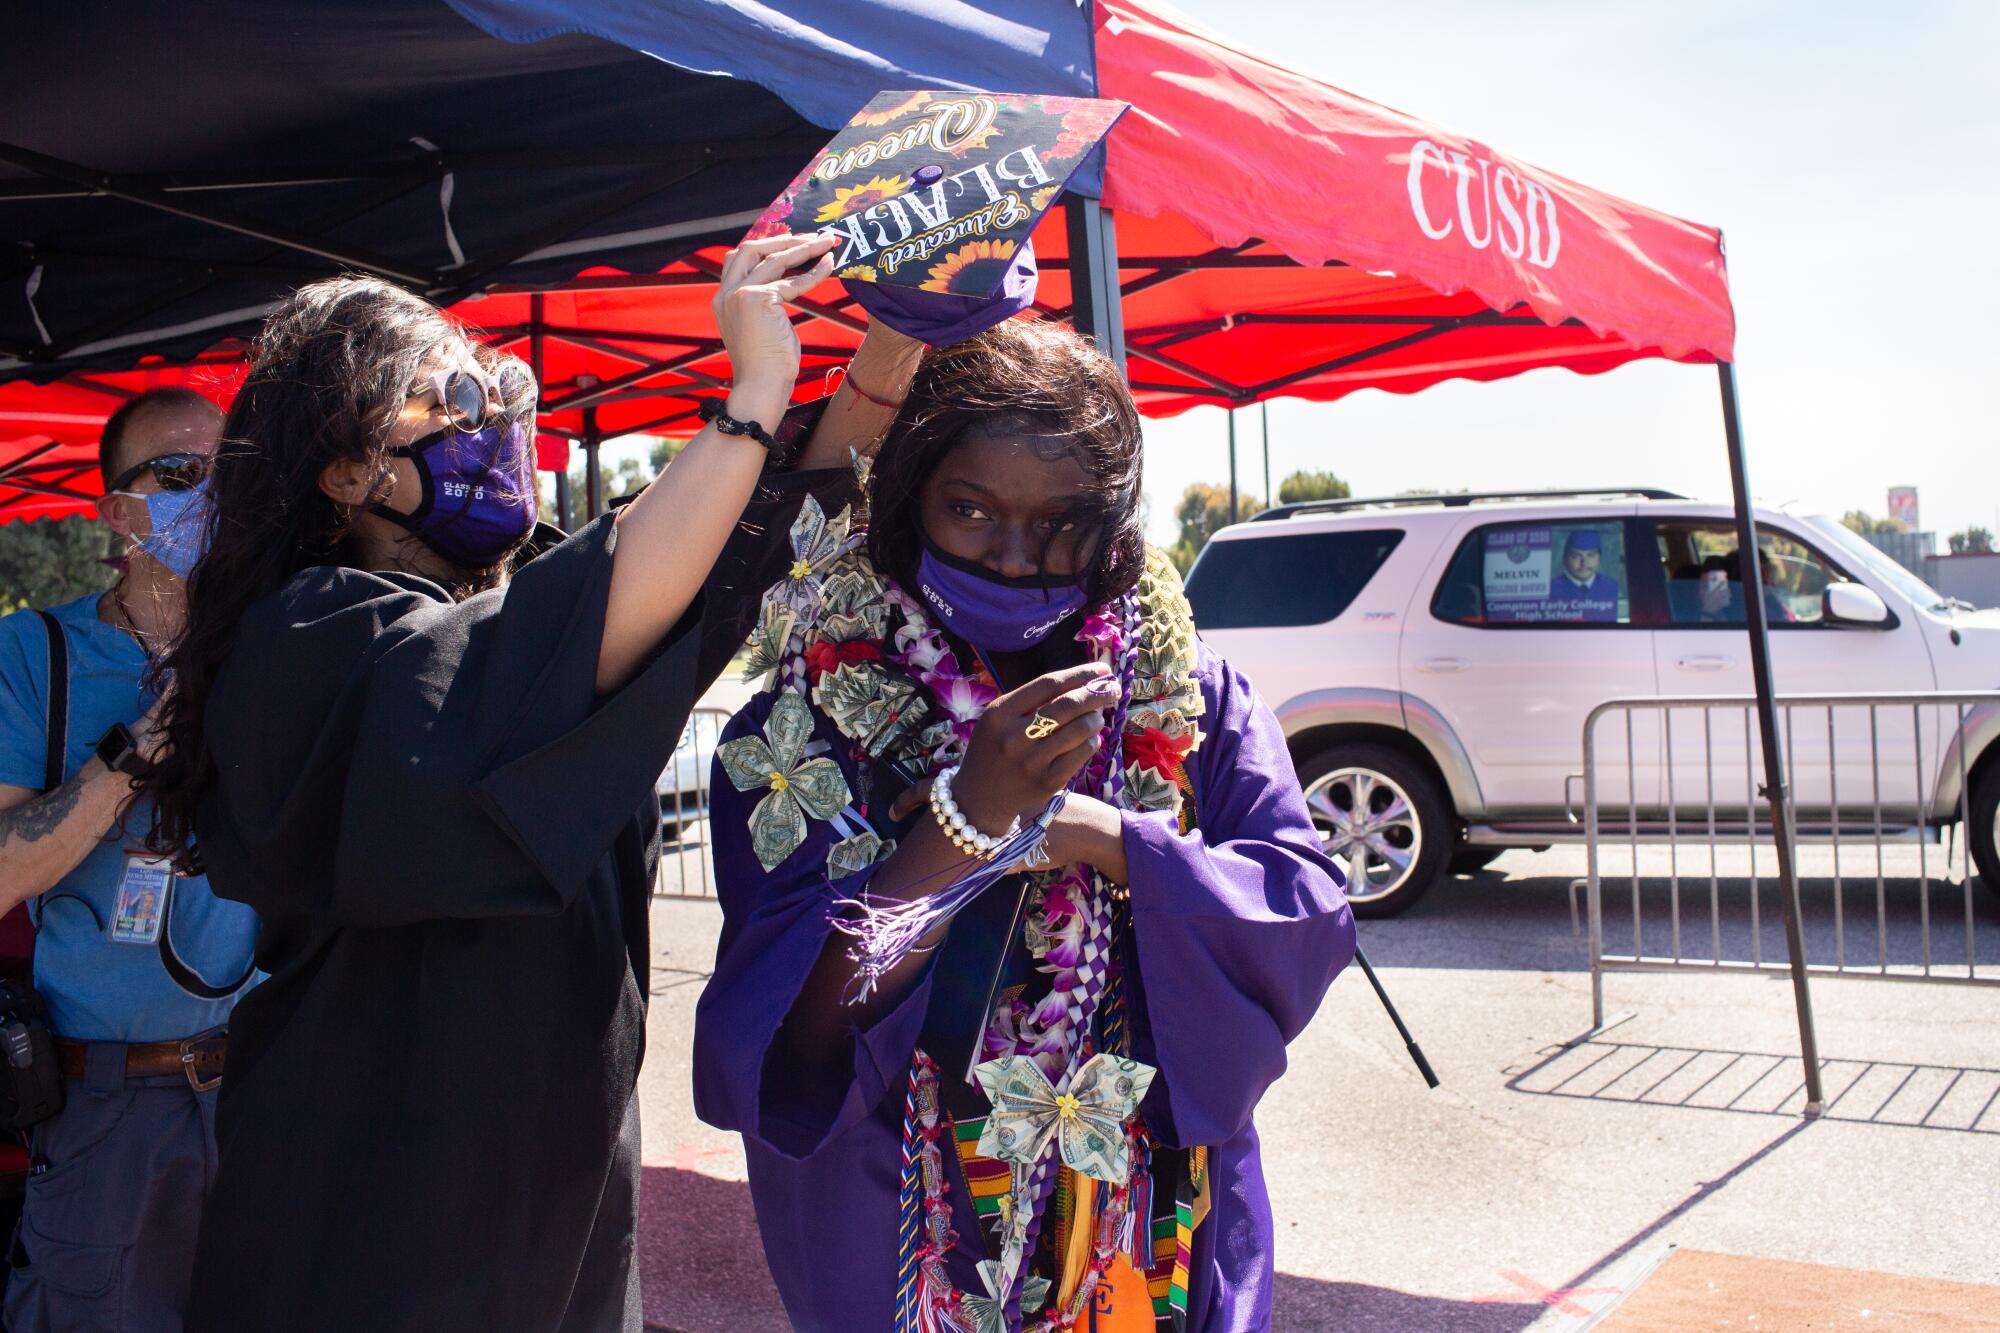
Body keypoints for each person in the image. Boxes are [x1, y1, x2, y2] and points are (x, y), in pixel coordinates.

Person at [135, 234, 925, 1332]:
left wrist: (901, 336)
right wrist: (748, 394)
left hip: (555, 1214)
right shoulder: (309, 634)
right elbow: (572, 618)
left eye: (505, 390)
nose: (498, 423)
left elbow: (750, 538)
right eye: (456, 397)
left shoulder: (528, 617)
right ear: (346, 468)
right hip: (368, 1223)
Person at [693, 319, 1355, 1331]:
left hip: (1147, 1233)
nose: (1014, 556)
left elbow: (1298, 913)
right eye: (967, 509)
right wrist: (965, 823)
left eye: (1061, 523)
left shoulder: (1192, 695)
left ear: (1116, 524)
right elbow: (804, 1028)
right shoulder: (810, 717)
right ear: (908, 495)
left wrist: (1097, 833)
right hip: (903, 1222)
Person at [0, 387, 261, 1332]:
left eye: (227, 473)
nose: (215, 497)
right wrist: (124, 762)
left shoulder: (274, 641)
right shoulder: (36, 652)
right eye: (184, 475)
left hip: (267, 1084)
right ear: (118, 511)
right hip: (110, 1102)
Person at [1546, 528, 1619, 622]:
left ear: (1599, 558)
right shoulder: (1549, 591)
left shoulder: (1613, 587)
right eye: (1575, 556)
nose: (1584, 563)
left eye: (1591, 555)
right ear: (1565, 559)